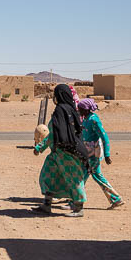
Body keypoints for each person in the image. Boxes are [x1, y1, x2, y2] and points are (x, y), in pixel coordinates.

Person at [32, 84, 88, 217]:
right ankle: (46, 205)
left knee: (73, 179)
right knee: (48, 174)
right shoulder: (71, 110)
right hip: (59, 152)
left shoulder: (60, 111)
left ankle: (79, 208)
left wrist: (40, 147)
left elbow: (53, 134)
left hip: (66, 152)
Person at [77, 98, 124, 209]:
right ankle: (76, 199)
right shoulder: (86, 119)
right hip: (87, 152)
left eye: (80, 109)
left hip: (93, 153)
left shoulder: (94, 120)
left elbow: (104, 137)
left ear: (86, 109)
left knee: (89, 176)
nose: (79, 111)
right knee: (83, 176)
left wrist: (107, 154)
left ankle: (116, 198)